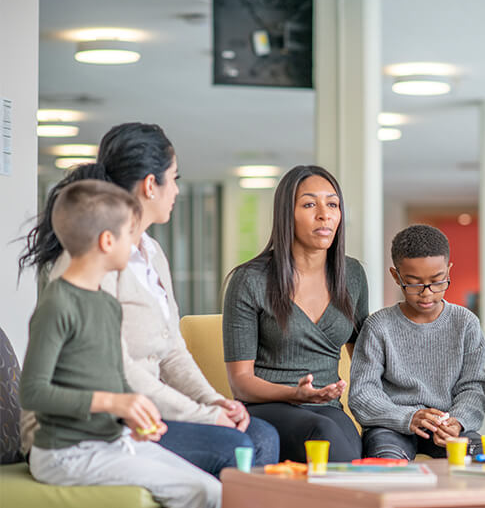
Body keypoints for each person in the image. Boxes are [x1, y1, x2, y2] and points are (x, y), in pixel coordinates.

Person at [19, 123, 279, 477]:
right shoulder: (94, 258)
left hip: (147, 412)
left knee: (262, 434)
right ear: (149, 186)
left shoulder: (151, 252)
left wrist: (214, 401)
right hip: (98, 426)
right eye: (173, 178)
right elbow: (117, 371)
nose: (176, 189)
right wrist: (202, 416)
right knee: (238, 446)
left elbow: (172, 349)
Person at [20, 180, 220, 508]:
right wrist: (115, 404)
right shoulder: (58, 303)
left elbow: (109, 381)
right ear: (107, 241)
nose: (136, 244)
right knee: (204, 494)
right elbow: (33, 392)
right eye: (131, 234)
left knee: (214, 489)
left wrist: (130, 419)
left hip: (112, 441)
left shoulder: (107, 305)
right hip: (64, 453)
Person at [223, 165, 367, 462]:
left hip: (328, 409)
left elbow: (365, 359)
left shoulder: (352, 275)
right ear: (286, 214)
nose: (324, 214)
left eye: (333, 204)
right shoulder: (249, 279)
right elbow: (240, 381)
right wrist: (295, 394)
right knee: (323, 434)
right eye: (309, 204)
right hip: (268, 407)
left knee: (348, 443)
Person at [349, 224, 485, 460]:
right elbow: (363, 393)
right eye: (414, 283)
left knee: (480, 460)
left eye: (437, 281)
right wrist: (407, 418)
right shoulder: (378, 326)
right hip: (392, 426)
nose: (427, 293)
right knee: (387, 459)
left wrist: (458, 421)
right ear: (396, 276)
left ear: (448, 272)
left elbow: (472, 388)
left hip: (446, 425)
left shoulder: (466, 323)